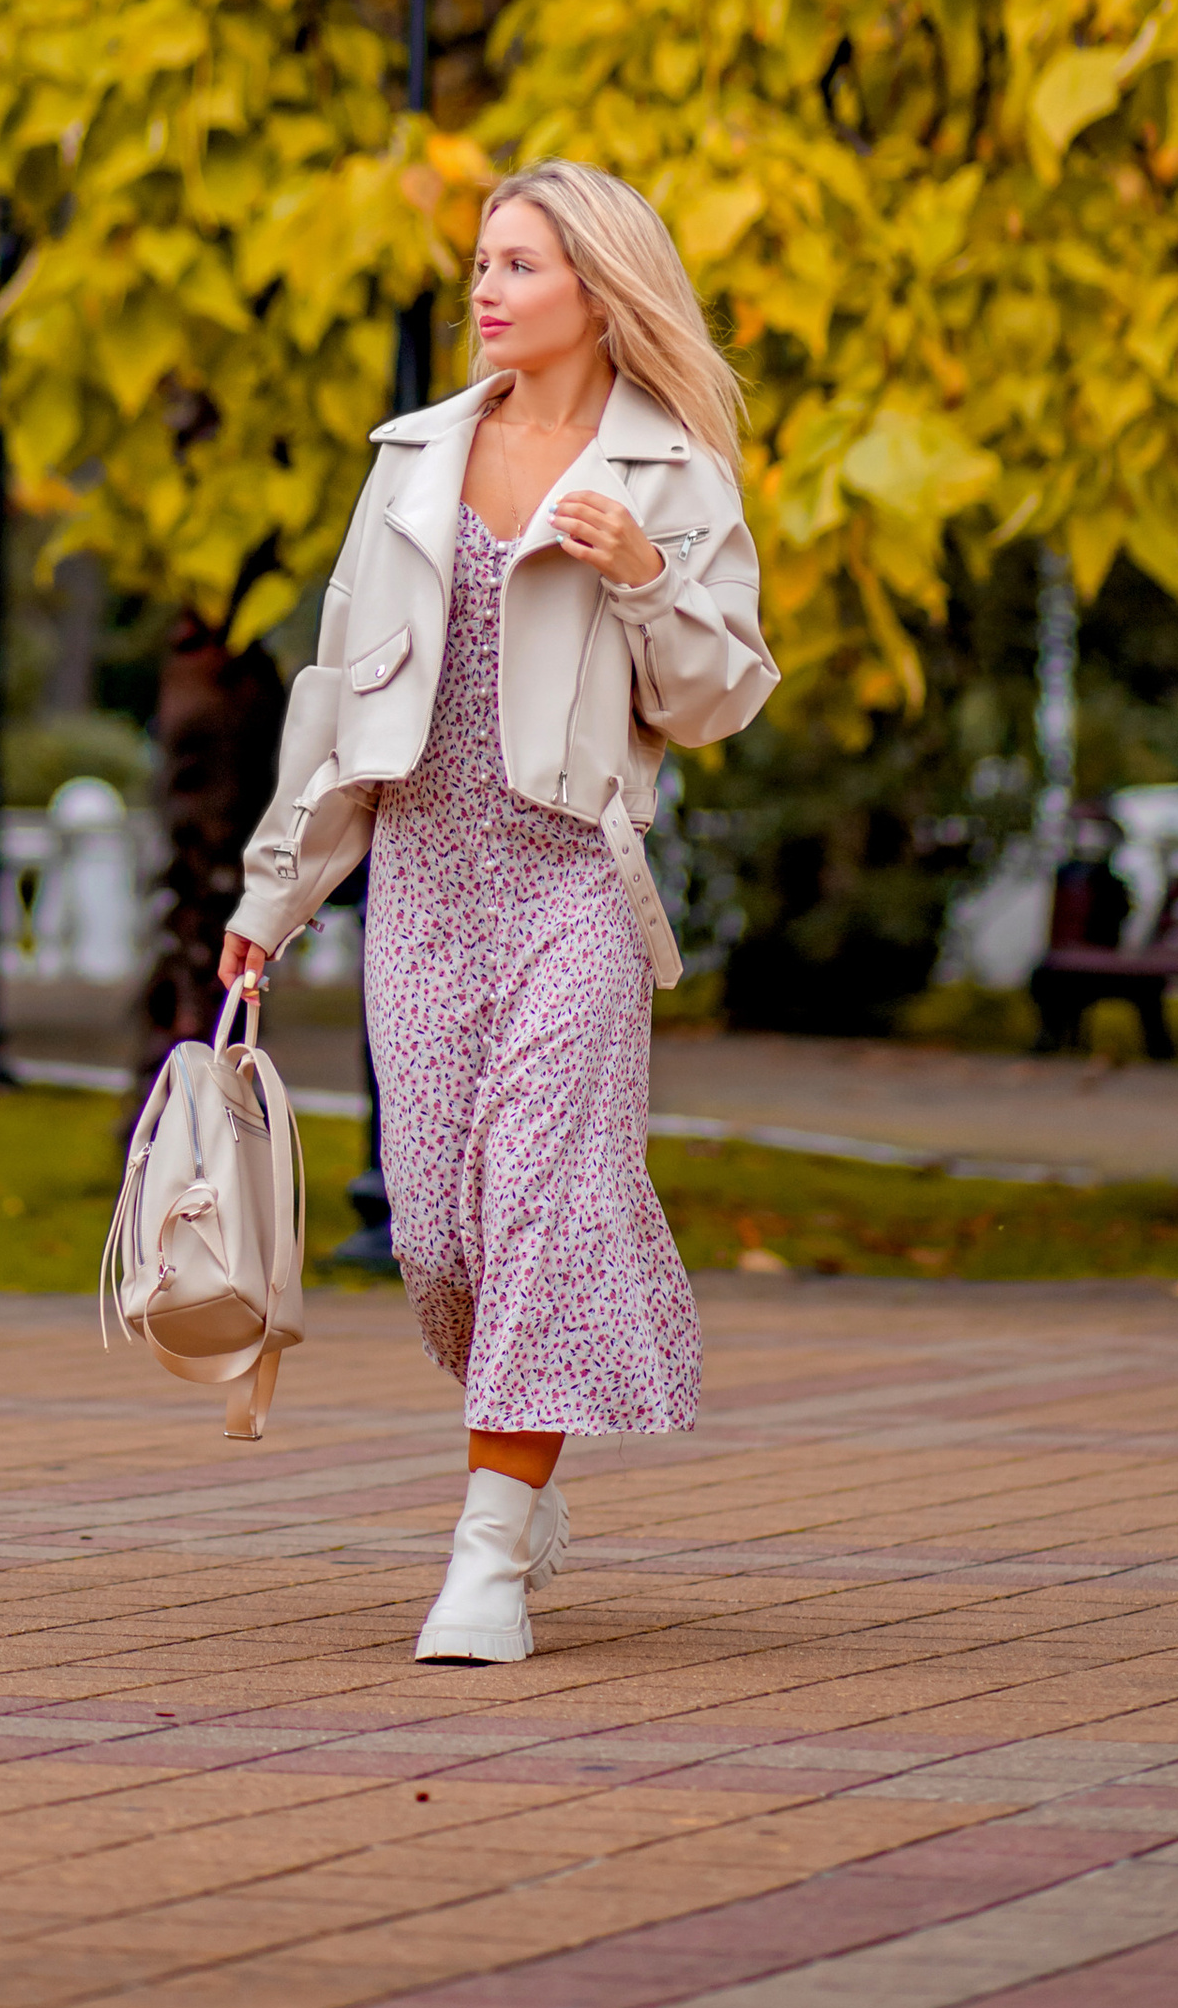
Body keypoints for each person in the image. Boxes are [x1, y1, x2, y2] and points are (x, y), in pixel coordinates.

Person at [219, 159, 777, 1664]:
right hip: (424, 887)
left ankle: (484, 1556)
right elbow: (341, 703)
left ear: (598, 289)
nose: (485, 289)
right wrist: (276, 895)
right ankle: (525, 1471)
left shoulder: (671, 478)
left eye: (519, 266)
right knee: (442, 1243)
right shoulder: (410, 460)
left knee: (540, 1199)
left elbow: (719, 700)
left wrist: (650, 578)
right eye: (481, 262)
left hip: (572, 885)